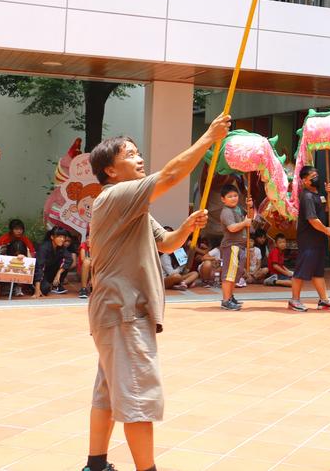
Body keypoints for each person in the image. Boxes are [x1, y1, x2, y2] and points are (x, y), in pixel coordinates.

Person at [83, 112, 228, 471]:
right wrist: (208, 138)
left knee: (109, 392)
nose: (139, 158)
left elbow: (165, 245)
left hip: (117, 312)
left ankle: (96, 465)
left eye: (137, 152)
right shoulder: (115, 195)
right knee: (136, 397)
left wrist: (185, 228)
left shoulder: (131, 208)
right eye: (130, 154)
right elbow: (171, 175)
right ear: (110, 170)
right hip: (124, 311)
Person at [290, 166, 330, 312]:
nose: (316, 177)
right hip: (308, 240)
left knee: (317, 272)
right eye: (312, 176)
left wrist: (329, 194)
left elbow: (326, 209)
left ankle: (324, 300)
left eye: (316, 174)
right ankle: (294, 300)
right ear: (305, 181)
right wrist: (327, 231)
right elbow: (312, 219)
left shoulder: (318, 194)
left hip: (318, 240)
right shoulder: (306, 196)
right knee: (301, 271)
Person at [219, 184, 254, 311]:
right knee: (229, 274)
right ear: (223, 199)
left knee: (235, 273)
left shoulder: (238, 209)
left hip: (239, 246)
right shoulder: (226, 212)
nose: (233, 198)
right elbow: (232, 228)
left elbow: (249, 217)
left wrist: (250, 206)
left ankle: (230, 297)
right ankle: (226, 300)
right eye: (230, 196)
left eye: (235, 195)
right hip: (231, 246)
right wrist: (244, 223)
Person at [35, 227, 73, 296]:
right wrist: (37, 289)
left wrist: (58, 273)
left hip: (51, 272)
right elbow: (39, 267)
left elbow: (69, 259)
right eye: (60, 237)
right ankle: (34, 286)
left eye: (64, 237)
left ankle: (56, 285)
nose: (62, 239)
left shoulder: (61, 247)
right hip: (40, 274)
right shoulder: (44, 248)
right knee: (44, 290)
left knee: (65, 265)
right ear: (52, 237)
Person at [79, 233, 93, 299]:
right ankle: (83, 289)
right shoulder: (83, 245)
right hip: (84, 269)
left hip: (93, 270)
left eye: (90, 238)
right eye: (87, 238)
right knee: (87, 262)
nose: (88, 240)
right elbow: (83, 259)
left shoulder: (98, 246)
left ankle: (93, 285)